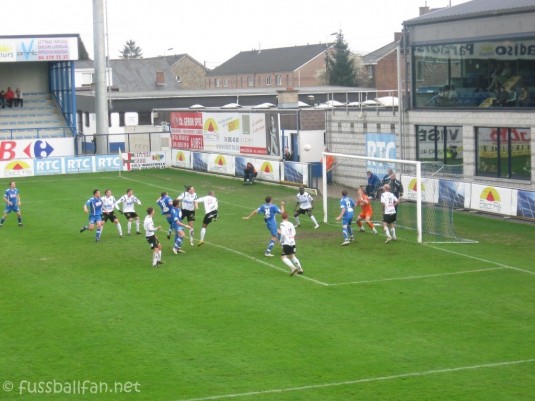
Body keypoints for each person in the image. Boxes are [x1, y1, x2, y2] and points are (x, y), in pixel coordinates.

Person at [278, 211, 304, 276]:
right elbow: (294, 233)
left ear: (282, 217)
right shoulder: (291, 224)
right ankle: (300, 269)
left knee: (283, 257)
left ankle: (292, 267)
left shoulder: (282, 224)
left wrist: (281, 241)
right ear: (288, 217)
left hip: (286, 243)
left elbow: (283, 234)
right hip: (292, 242)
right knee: (292, 256)